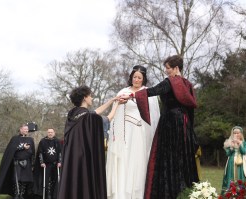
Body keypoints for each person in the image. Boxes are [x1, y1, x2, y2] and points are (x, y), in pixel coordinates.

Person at [121, 55, 199, 199]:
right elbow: (191, 108)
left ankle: (168, 193)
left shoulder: (170, 82)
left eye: (168, 68)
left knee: (167, 158)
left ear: (176, 68)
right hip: (184, 125)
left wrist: (132, 95)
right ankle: (186, 192)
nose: (166, 71)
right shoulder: (187, 84)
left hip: (170, 124)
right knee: (182, 160)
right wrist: (190, 130)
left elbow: (151, 91)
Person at [106, 65, 160, 199]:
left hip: (139, 132)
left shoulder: (148, 93)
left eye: (139, 78)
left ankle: (136, 194)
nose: (136, 80)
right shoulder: (123, 91)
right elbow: (115, 111)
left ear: (144, 79)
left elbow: (152, 116)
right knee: (122, 160)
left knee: (136, 161)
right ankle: (120, 193)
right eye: (134, 77)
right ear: (131, 77)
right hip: (122, 133)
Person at [58, 85, 119, 199]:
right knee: (85, 184)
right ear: (85, 98)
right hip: (84, 157)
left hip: (72, 158)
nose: (92, 98)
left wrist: (111, 101)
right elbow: (107, 119)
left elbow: (93, 113)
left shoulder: (72, 115)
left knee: (73, 182)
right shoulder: (89, 118)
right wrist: (117, 105)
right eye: (90, 96)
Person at [0, 124, 35, 199]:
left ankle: (22, 194)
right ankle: (16, 194)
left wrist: (32, 162)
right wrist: (22, 147)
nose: (26, 130)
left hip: (27, 162)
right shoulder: (15, 139)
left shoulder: (30, 139)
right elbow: (11, 150)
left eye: (27, 129)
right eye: (25, 129)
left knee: (25, 179)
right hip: (17, 162)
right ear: (21, 129)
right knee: (17, 179)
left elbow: (33, 152)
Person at [33, 128, 62, 199]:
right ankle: (48, 195)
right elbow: (40, 152)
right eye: (49, 132)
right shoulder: (43, 141)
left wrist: (60, 161)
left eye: (51, 132)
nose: (50, 133)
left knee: (55, 180)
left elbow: (60, 152)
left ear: (54, 133)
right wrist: (42, 162)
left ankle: (54, 195)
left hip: (55, 164)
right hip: (46, 165)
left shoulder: (57, 141)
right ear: (47, 133)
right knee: (46, 180)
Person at [221, 126, 246, 193]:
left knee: (241, 176)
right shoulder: (229, 142)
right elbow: (228, 154)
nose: (236, 134)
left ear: (241, 134)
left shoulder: (244, 143)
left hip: (241, 162)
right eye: (234, 133)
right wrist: (231, 147)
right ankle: (230, 192)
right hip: (231, 161)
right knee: (231, 176)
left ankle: (241, 192)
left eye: (238, 133)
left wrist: (240, 144)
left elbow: (243, 152)